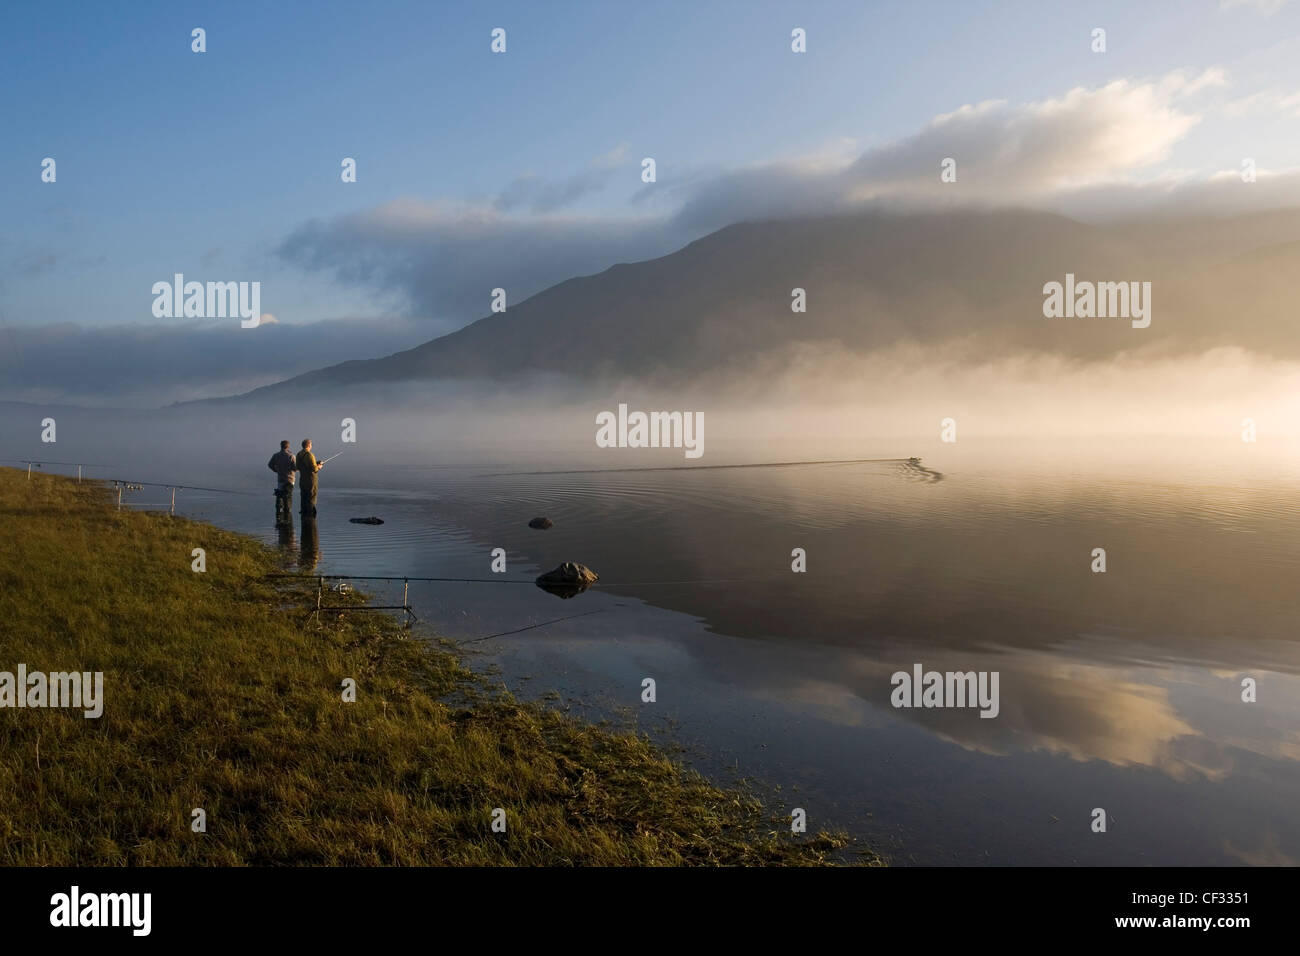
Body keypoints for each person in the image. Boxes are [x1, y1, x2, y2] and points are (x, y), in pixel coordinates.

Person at [267, 440, 297, 527]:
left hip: (280, 479)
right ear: (288, 446)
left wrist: (276, 470)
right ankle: (287, 518)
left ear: (281, 446)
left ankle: (279, 515)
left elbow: (270, 465)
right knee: (288, 497)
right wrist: (299, 468)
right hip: (290, 480)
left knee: (279, 496)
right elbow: (295, 468)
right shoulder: (291, 456)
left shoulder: (276, 455)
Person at [295, 438, 324, 517]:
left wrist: (316, 463)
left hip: (302, 480)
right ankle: (311, 514)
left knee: (304, 496)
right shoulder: (310, 455)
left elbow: (297, 467)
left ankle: (304, 513)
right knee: (311, 496)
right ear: (308, 445)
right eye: (311, 445)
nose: (311, 446)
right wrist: (319, 466)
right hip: (311, 480)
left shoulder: (298, 454)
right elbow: (314, 469)